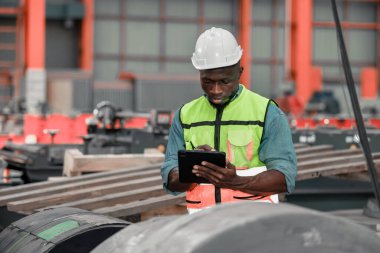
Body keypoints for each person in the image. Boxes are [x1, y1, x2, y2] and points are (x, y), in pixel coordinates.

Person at [161, 27, 297, 214]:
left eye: (225, 81)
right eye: (208, 81)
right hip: (202, 226)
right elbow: (171, 180)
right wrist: (191, 170)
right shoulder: (185, 115)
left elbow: (284, 178)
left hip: (252, 224)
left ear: (239, 72)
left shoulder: (267, 113)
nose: (216, 90)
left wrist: (236, 181)